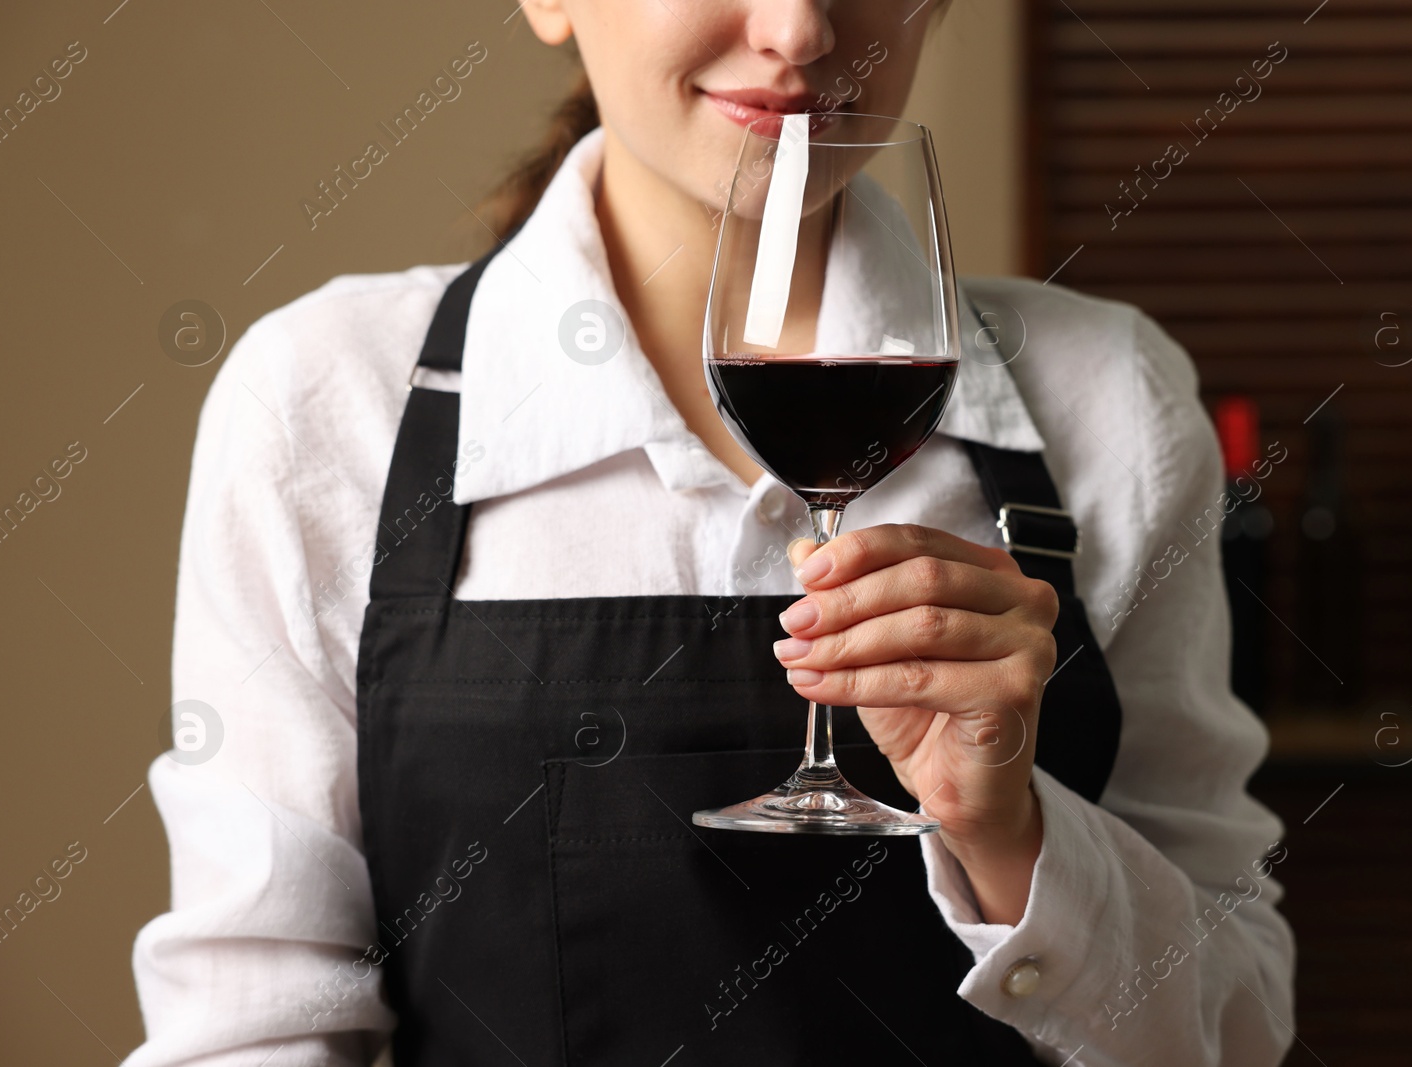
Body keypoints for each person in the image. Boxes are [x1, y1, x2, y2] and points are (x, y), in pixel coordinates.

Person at [124, 2, 1295, 1064]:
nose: (797, 29)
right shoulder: (327, 398)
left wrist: (1013, 835)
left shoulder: (1109, 395)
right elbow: (248, 1023)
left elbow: (1238, 1027)